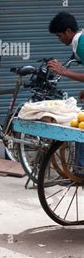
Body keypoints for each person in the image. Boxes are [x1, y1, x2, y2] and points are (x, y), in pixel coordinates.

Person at [47, 12, 84, 175]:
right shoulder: (79, 42)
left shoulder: (81, 44)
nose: (59, 39)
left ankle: (80, 169)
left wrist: (64, 72)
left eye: (60, 35)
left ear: (69, 31)